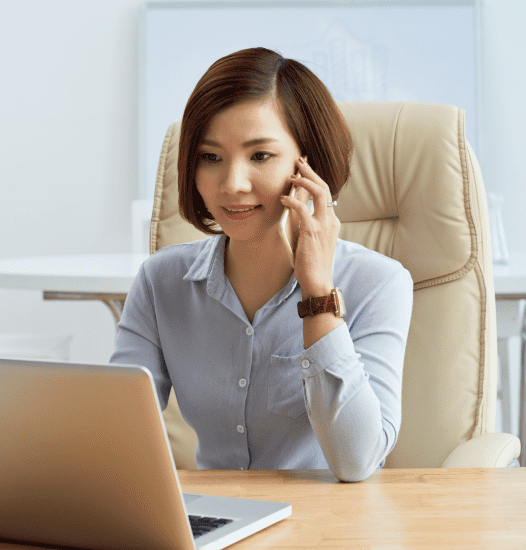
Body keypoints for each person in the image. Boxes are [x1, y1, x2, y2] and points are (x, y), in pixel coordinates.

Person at [110, 47, 412, 482]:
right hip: (213, 526)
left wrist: (317, 297)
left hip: (331, 531)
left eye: (260, 156)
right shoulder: (162, 281)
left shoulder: (378, 284)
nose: (232, 184)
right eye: (210, 157)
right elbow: (116, 431)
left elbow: (357, 460)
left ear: (307, 165)